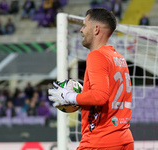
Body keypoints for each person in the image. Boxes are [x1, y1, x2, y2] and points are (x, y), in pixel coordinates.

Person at [48, 8, 134, 150]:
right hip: (124, 138)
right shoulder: (118, 57)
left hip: (100, 140)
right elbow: (108, 100)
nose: (81, 30)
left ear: (96, 29)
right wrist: (83, 101)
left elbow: (100, 96)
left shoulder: (96, 56)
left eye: (85, 25)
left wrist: (69, 96)